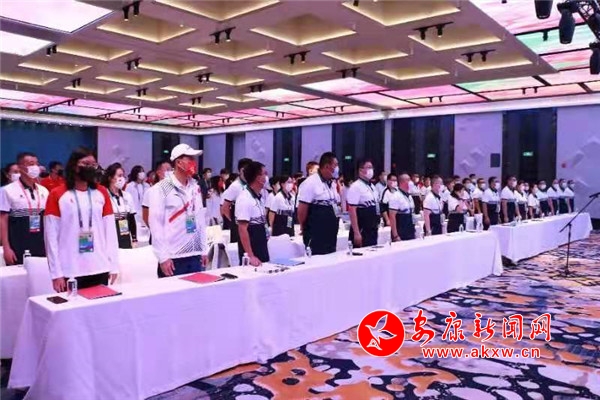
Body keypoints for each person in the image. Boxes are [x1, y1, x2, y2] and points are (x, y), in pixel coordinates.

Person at [44, 147, 119, 291]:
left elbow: (110, 231)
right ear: (74, 166)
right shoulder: (57, 194)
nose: (91, 168)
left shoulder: (102, 192)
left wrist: (113, 265)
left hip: (100, 266)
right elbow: (51, 237)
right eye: (86, 164)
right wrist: (56, 273)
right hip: (70, 269)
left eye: (93, 164)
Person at [148, 144, 208, 278]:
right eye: (190, 159)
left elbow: (200, 219)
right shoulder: (161, 188)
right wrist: (163, 257)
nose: (194, 162)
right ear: (178, 162)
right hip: (173, 256)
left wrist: (204, 249)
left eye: (194, 159)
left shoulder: (195, 187)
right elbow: (155, 224)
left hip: (195, 253)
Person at [0, 152, 48, 265]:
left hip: (40, 243)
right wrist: (6, 247)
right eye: (31, 164)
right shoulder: (7, 190)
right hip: (17, 243)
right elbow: (2, 219)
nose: (35, 167)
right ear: (20, 167)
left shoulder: (44, 191)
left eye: (36, 163)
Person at [297, 152, 341, 255]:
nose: (337, 168)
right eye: (335, 165)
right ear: (327, 166)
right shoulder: (310, 183)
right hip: (316, 233)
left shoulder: (332, 183)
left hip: (331, 233)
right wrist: (304, 226)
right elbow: (302, 210)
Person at [236, 161, 270, 265]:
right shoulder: (244, 198)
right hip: (252, 251)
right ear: (258, 178)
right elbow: (242, 229)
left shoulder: (258, 197)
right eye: (264, 174)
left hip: (261, 245)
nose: (266, 177)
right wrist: (250, 256)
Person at [101, 163, 137, 249]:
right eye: (119, 175)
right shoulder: (103, 195)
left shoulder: (127, 195)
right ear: (110, 178)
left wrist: (134, 238)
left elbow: (131, 218)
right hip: (109, 235)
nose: (122, 178)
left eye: (123, 176)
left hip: (125, 234)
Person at [347, 160, 380, 248]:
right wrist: (356, 232)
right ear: (361, 170)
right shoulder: (356, 186)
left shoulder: (372, 186)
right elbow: (352, 210)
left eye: (372, 167)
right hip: (362, 228)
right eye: (368, 167)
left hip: (372, 228)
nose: (371, 170)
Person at [221, 158, 252, 244]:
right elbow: (225, 207)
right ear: (242, 170)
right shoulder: (235, 186)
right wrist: (234, 222)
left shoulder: (250, 184)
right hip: (238, 224)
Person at [389, 173, 415, 241]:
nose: (410, 182)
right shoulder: (396, 196)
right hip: (401, 231)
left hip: (410, 229)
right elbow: (392, 216)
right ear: (402, 182)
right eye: (408, 180)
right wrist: (395, 235)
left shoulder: (409, 196)